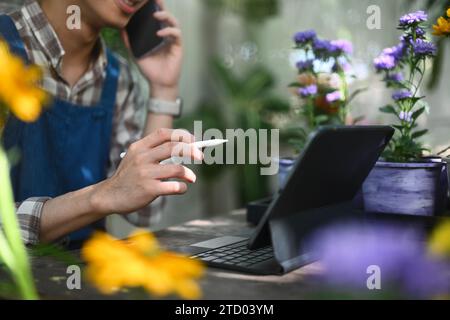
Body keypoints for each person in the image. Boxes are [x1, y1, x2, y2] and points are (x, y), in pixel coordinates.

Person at [0, 0, 203, 247]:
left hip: (77, 282)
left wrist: (164, 89)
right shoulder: (4, 50)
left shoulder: (118, 79)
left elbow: (143, 212)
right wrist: (99, 196)